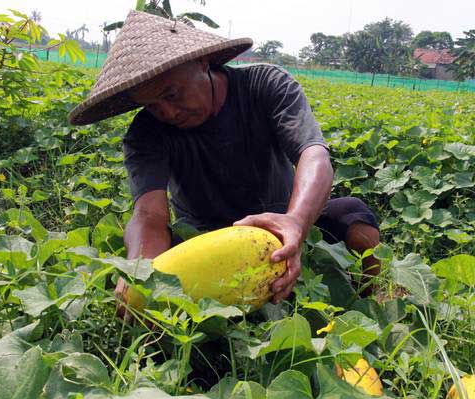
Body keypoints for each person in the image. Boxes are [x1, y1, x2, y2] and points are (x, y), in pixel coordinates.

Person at [68, 11, 380, 311]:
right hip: (206, 238)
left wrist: (296, 222)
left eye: (172, 95)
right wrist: (142, 271)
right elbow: (149, 214)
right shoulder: (145, 134)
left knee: (354, 217)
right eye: (151, 105)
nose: (167, 113)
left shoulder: (265, 85)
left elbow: (314, 155)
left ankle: (365, 302)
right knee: (161, 272)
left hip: (281, 224)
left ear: (201, 61)